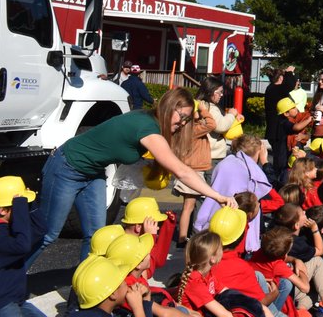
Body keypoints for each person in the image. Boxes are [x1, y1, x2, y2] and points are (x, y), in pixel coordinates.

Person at [29, 88, 239, 264]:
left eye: (186, 119)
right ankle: (5, 281)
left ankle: (81, 300)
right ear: (168, 107)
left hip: (94, 173)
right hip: (67, 166)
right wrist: (217, 196)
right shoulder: (148, 128)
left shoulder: (152, 123)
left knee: (96, 237)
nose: (183, 123)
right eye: (181, 116)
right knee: (48, 234)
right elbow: (182, 172)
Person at [194, 134, 275, 253]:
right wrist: (265, 162)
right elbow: (269, 187)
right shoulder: (250, 170)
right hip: (237, 225)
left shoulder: (225, 163)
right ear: (258, 152)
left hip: (215, 218)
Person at [0, 176, 44, 317]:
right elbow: (22, 246)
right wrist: (20, 207)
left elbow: (41, 230)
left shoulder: (11, 229)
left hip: (16, 300)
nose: (22, 212)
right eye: (19, 209)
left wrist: (30, 205)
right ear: (3, 211)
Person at [174, 95, 218, 248]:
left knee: (188, 206)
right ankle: (183, 237)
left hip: (191, 168)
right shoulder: (193, 128)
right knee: (189, 206)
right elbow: (212, 124)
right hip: (193, 171)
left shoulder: (187, 127)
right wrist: (204, 110)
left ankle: (183, 236)